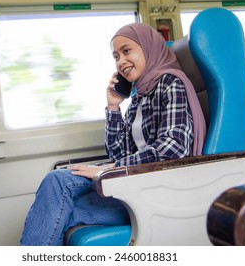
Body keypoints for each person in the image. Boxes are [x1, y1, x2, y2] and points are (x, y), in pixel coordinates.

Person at [20, 23, 206, 246]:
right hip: (135, 184)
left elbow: (173, 148)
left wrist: (111, 169)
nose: (121, 62)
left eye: (127, 51)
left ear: (148, 48)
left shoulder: (170, 83)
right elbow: (118, 152)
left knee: (57, 199)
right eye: (116, 56)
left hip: (158, 192)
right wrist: (113, 106)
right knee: (57, 189)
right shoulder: (140, 95)